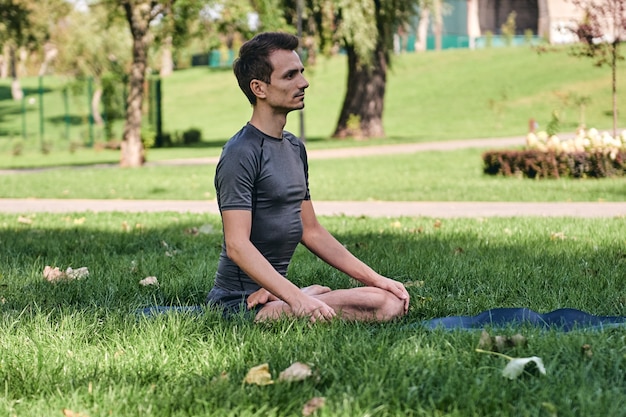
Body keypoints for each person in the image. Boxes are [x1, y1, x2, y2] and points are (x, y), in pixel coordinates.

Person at [206, 32, 409, 323]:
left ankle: (285, 297)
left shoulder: (294, 147)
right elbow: (237, 245)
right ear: (259, 88)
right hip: (237, 305)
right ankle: (289, 300)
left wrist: (377, 278)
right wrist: (300, 299)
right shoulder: (241, 151)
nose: (303, 82)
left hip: (273, 294)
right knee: (384, 306)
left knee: (378, 295)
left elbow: (310, 230)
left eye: (301, 72)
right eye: (290, 75)